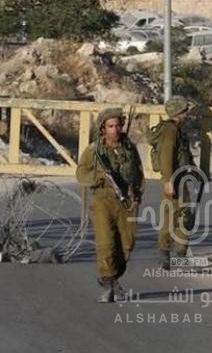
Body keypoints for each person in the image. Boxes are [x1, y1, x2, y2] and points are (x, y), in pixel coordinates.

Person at [76, 108, 144, 303]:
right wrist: (99, 176)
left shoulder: (129, 148)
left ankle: (113, 277)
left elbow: (138, 172)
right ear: (103, 129)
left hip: (126, 202)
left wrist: (137, 194)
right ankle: (107, 283)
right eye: (110, 126)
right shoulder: (94, 150)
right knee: (106, 244)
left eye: (118, 125)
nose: (115, 130)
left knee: (127, 244)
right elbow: (81, 173)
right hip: (103, 200)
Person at [155, 96, 196, 270]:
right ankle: (165, 256)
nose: (187, 114)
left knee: (184, 217)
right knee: (170, 218)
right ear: (178, 112)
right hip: (173, 180)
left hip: (181, 179)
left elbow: (182, 155)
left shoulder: (177, 129)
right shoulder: (170, 131)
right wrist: (168, 181)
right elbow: (167, 157)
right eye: (185, 110)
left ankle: (181, 255)